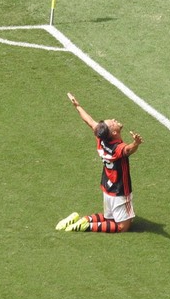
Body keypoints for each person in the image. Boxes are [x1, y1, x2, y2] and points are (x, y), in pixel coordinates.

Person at [55, 92, 143, 233]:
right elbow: (127, 150)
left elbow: (89, 121)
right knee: (122, 227)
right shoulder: (116, 148)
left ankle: (85, 219)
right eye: (112, 123)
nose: (114, 120)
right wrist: (136, 143)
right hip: (119, 190)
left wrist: (77, 105)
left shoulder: (101, 139)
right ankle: (86, 226)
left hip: (107, 185)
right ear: (114, 133)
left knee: (111, 219)